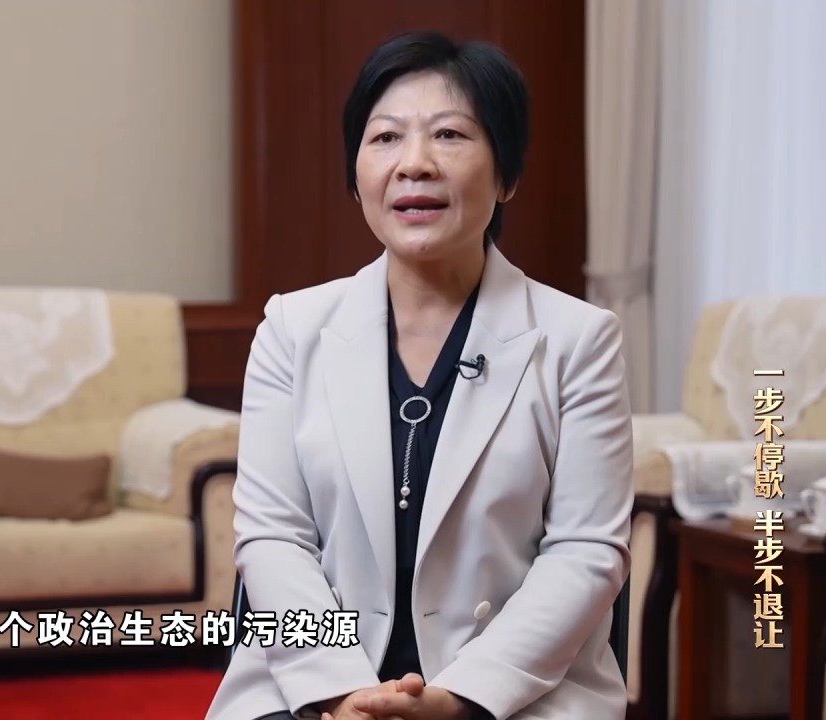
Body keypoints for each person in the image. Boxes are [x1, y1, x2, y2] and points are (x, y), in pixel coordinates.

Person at [205, 30, 633, 720]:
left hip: (511, 695)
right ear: (356, 177)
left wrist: (458, 699)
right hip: (312, 688)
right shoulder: (292, 328)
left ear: (506, 175)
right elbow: (274, 537)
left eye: (450, 135)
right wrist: (344, 693)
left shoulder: (579, 340)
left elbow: (585, 550)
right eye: (385, 138)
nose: (414, 164)